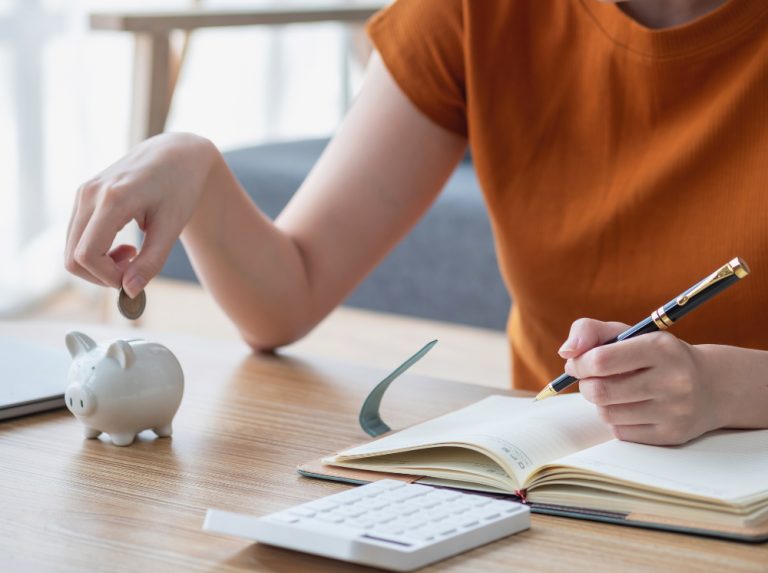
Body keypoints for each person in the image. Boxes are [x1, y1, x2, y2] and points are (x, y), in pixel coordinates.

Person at [65, 0, 768, 446]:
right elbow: (287, 296)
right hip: (556, 482)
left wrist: (722, 389)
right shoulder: (476, 13)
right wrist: (197, 170)